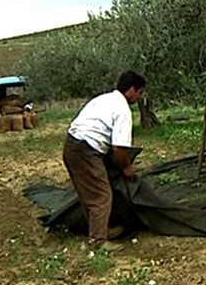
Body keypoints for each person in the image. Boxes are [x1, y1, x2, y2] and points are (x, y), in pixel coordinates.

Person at [63, 70, 146, 251]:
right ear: (132, 89)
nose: (139, 97)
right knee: (101, 196)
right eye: (140, 93)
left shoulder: (103, 99)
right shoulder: (122, 110)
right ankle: (98, 241)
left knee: (88, 195)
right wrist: (126, 168)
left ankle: (98, 230)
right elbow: (118, 149)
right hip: (86, 151)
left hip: (71, 147)